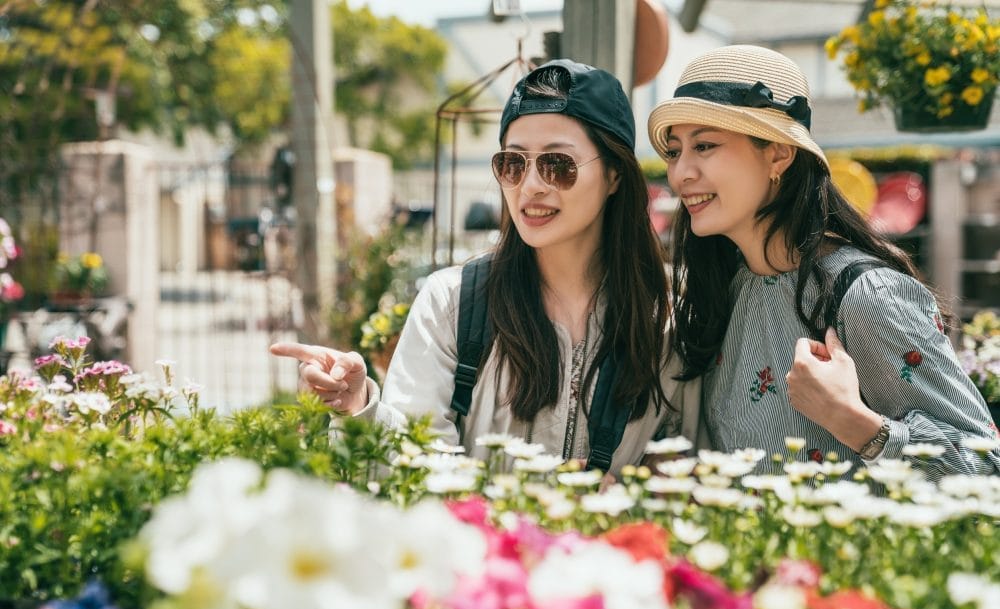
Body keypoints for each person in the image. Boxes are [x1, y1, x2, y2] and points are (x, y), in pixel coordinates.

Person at [271, 59, 701, 476]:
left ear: (614, 176)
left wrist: (633, 496)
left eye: (557, 165)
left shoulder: (669, 321)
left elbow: (685, 463)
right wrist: (358, 406)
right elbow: (410, 465)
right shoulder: (454, 302)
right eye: (513, 164)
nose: (531, 185)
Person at [647, 44, 999, 480]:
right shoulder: (729, 288)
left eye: (704, 145)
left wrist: (859, 425)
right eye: (675, 151)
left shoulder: (866, 297)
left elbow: (987, 472)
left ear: (778, 153)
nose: (681, 173)